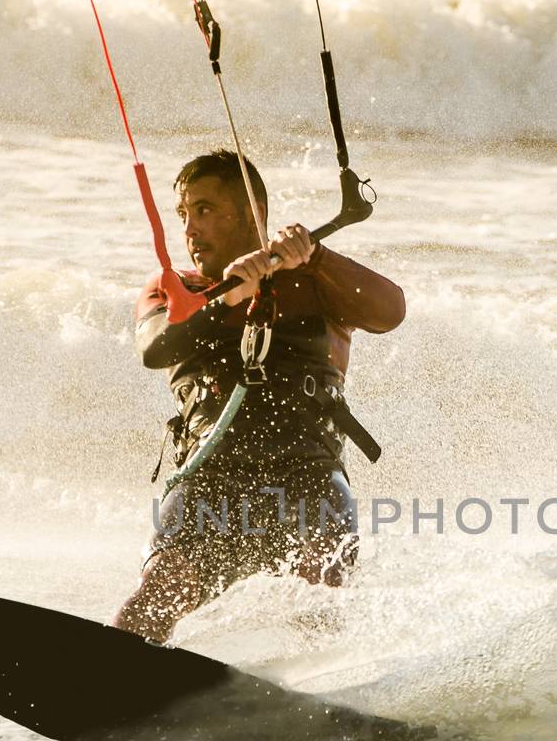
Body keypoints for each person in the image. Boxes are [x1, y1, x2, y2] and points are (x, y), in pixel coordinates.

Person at [114, 150, 405, 643]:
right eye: (183, 214)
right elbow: (156, 347)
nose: (189, 228)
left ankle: (327, 688)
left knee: (322, 586)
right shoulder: (177, 289)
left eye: (204, 210)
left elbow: (390, 310)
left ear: (250, 214)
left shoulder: (314, 280)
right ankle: (104, 676)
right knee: (162, 587)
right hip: (210, 482)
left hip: (307, 474)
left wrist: (318, 256)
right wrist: (228, 293)